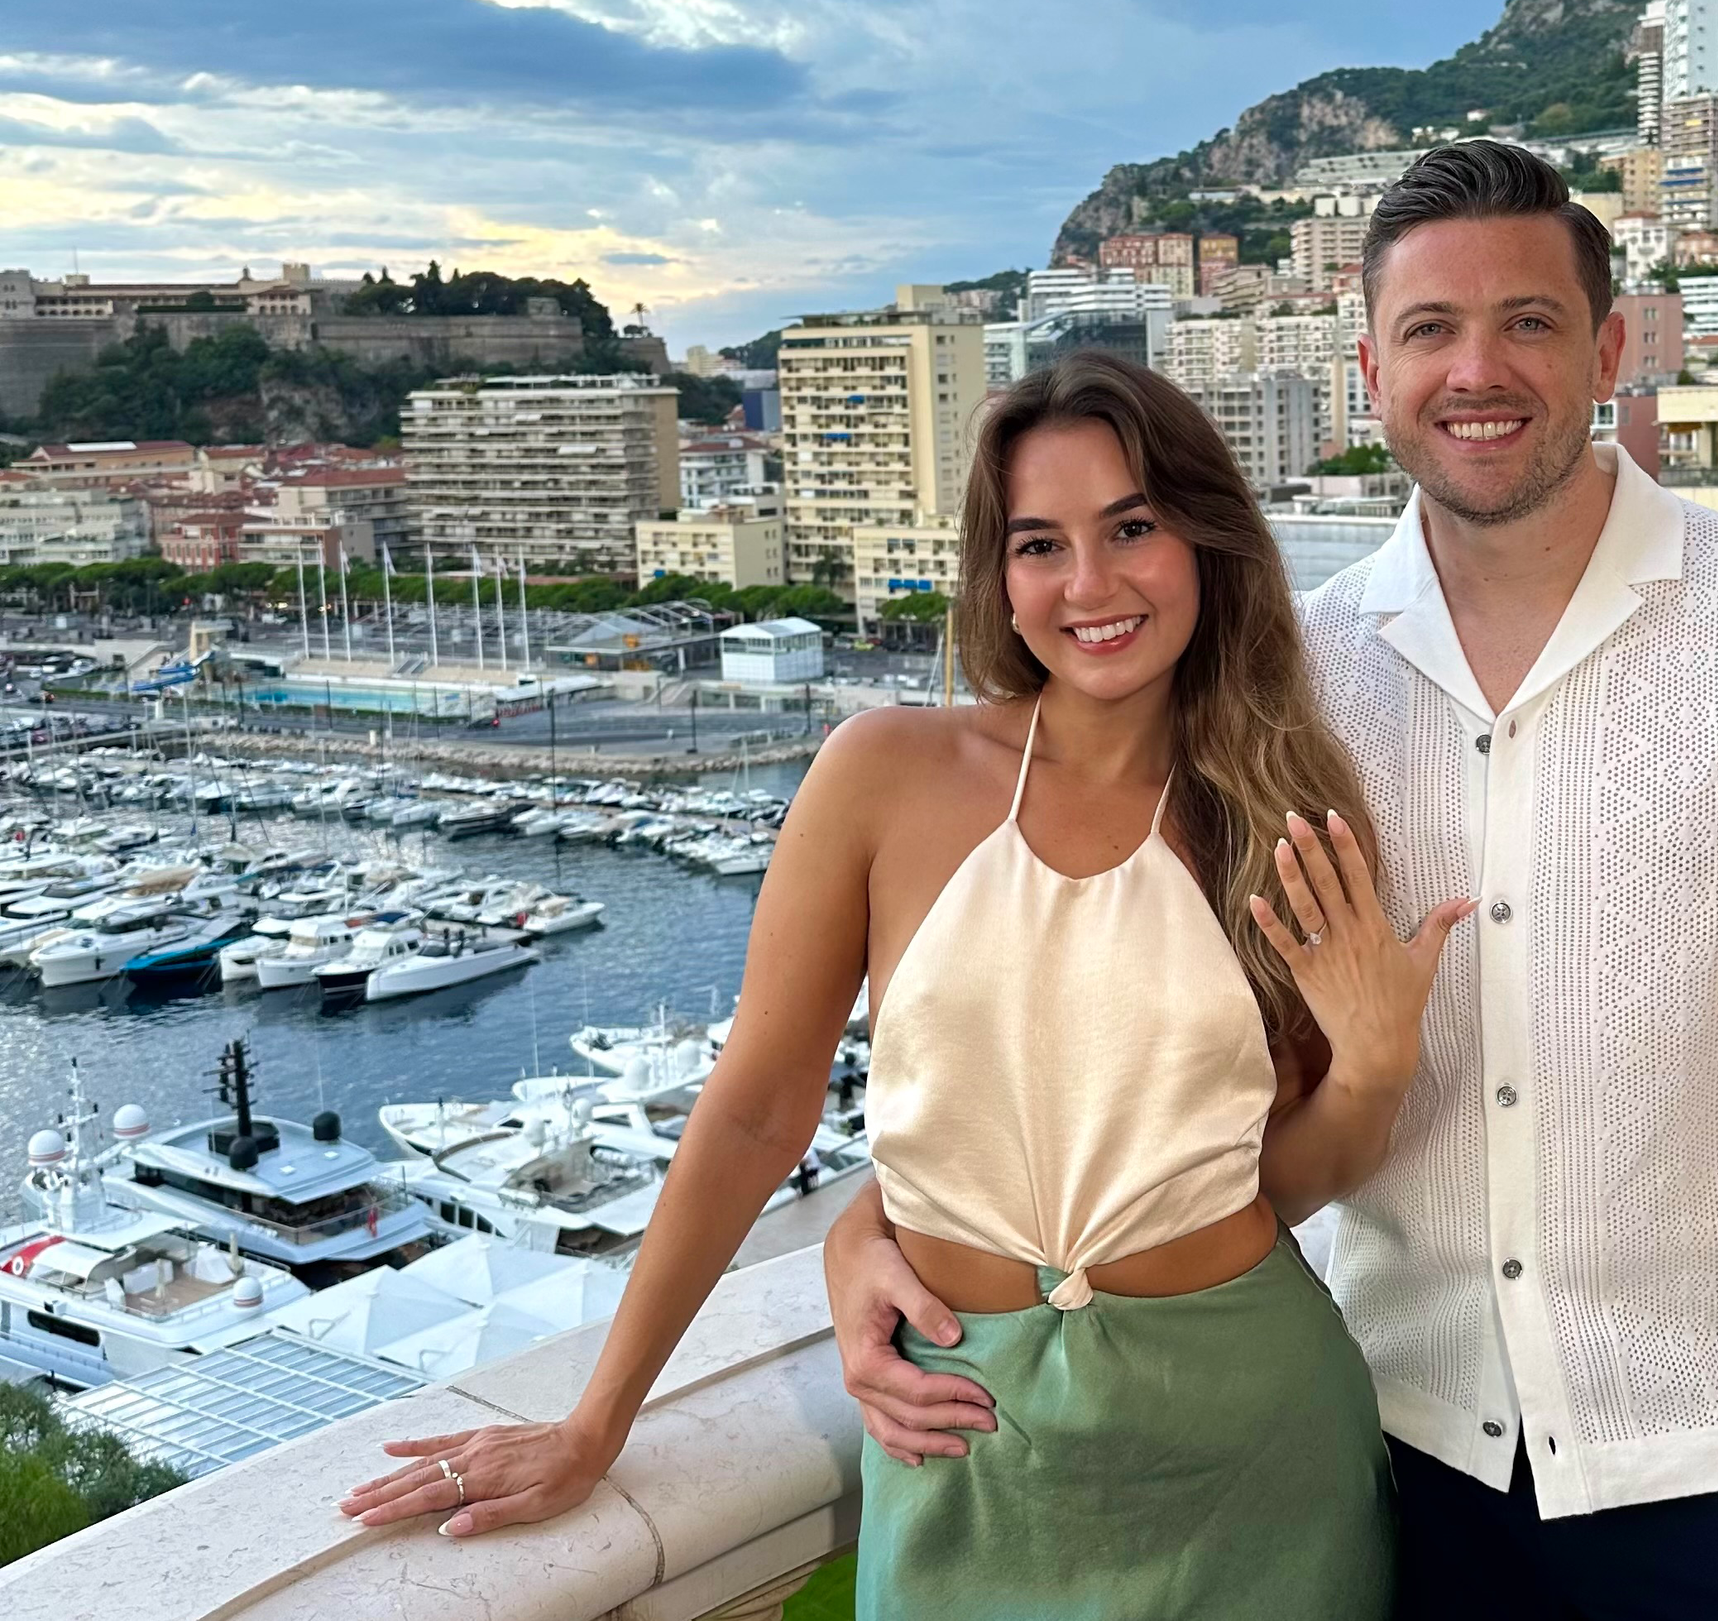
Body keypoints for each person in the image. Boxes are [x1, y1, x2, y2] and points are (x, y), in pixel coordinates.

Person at [831, 142, 1718, 1620]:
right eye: (1431, 329)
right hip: (1392, 1458)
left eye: (1529, 321)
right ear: (1372, 371)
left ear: (1609, 351)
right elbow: (1091, 1048)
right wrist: (865, 1231)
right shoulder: (1285, 684)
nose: (1476, 371)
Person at [335, 352, 1469, 1621]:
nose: (1089, 584)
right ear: (997, 574)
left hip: (1251, 1442)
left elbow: (1273, 1177)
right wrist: (596, 1420)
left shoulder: (1277, 813)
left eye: (1132, 528)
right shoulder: (884, 771)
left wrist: (1373, 1071)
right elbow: (756, 1112)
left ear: (1206, 542)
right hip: (963, 1438)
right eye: (1039, 544)